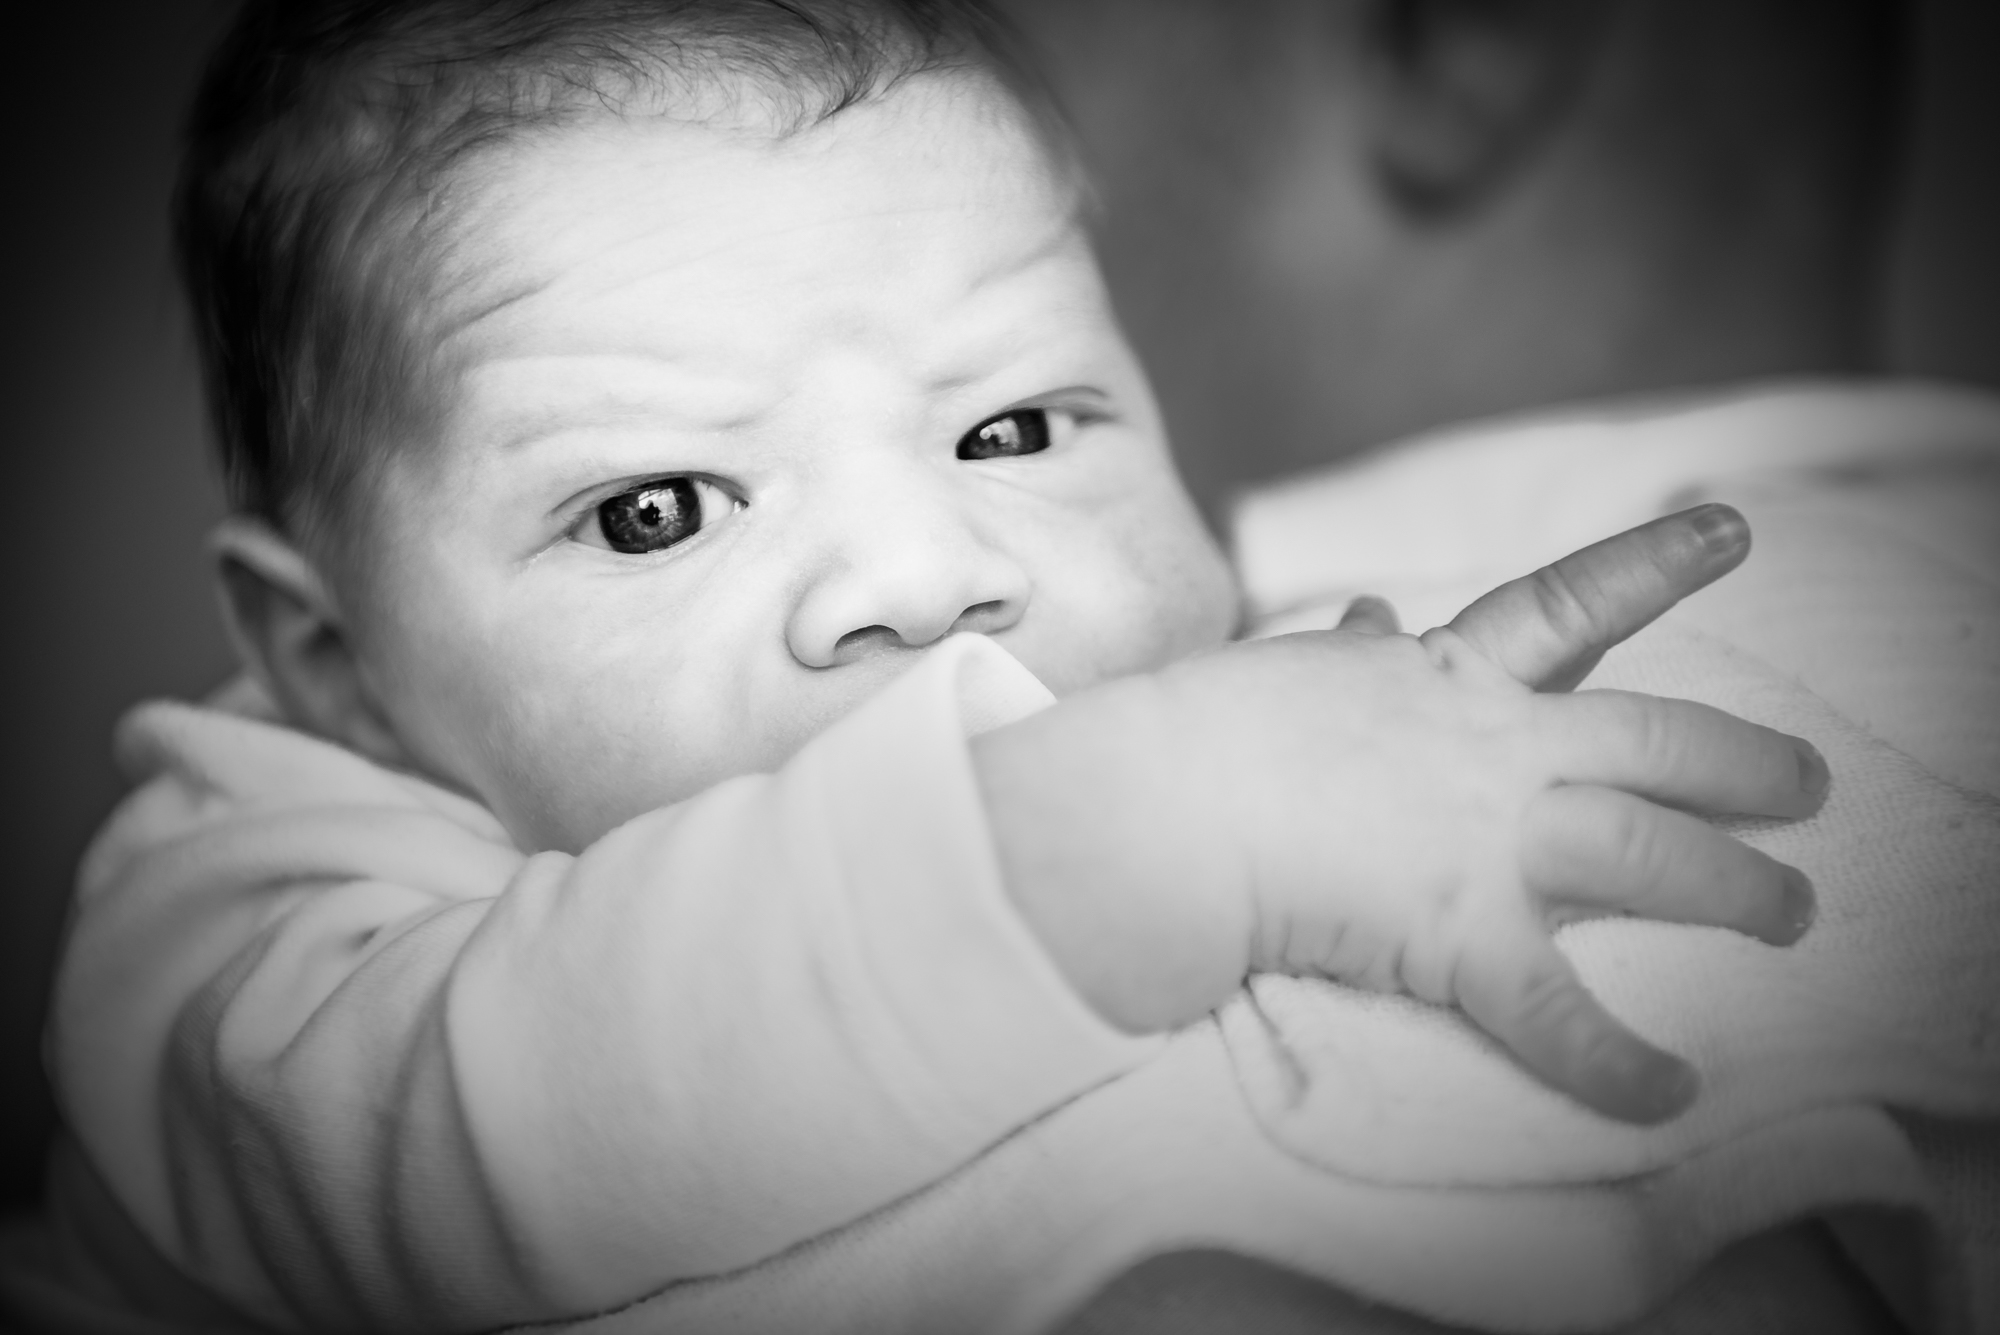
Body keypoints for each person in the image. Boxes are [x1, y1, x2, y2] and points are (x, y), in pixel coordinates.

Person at [0, 1, 1831, 1332]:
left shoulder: (1226, 633)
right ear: (337, 663)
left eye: (1021, 428)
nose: (926, 576)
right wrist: (1159, 824)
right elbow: (484, 1131)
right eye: (654, 513)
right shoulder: (239, 916)